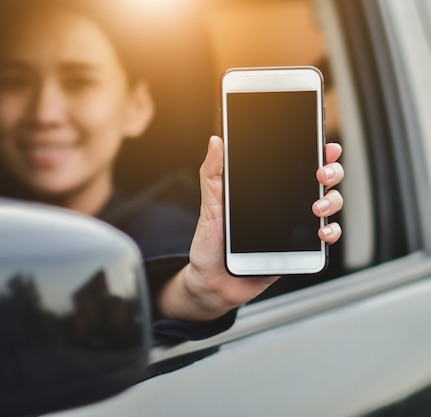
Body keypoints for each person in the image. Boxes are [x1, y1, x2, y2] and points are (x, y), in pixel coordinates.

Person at [0, 1, 344, 342]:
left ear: (137, 107)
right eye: (14, 81)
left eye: (79, 82)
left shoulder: (176, 238)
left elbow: (160, 291)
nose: (44, 113)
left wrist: (195, 296)